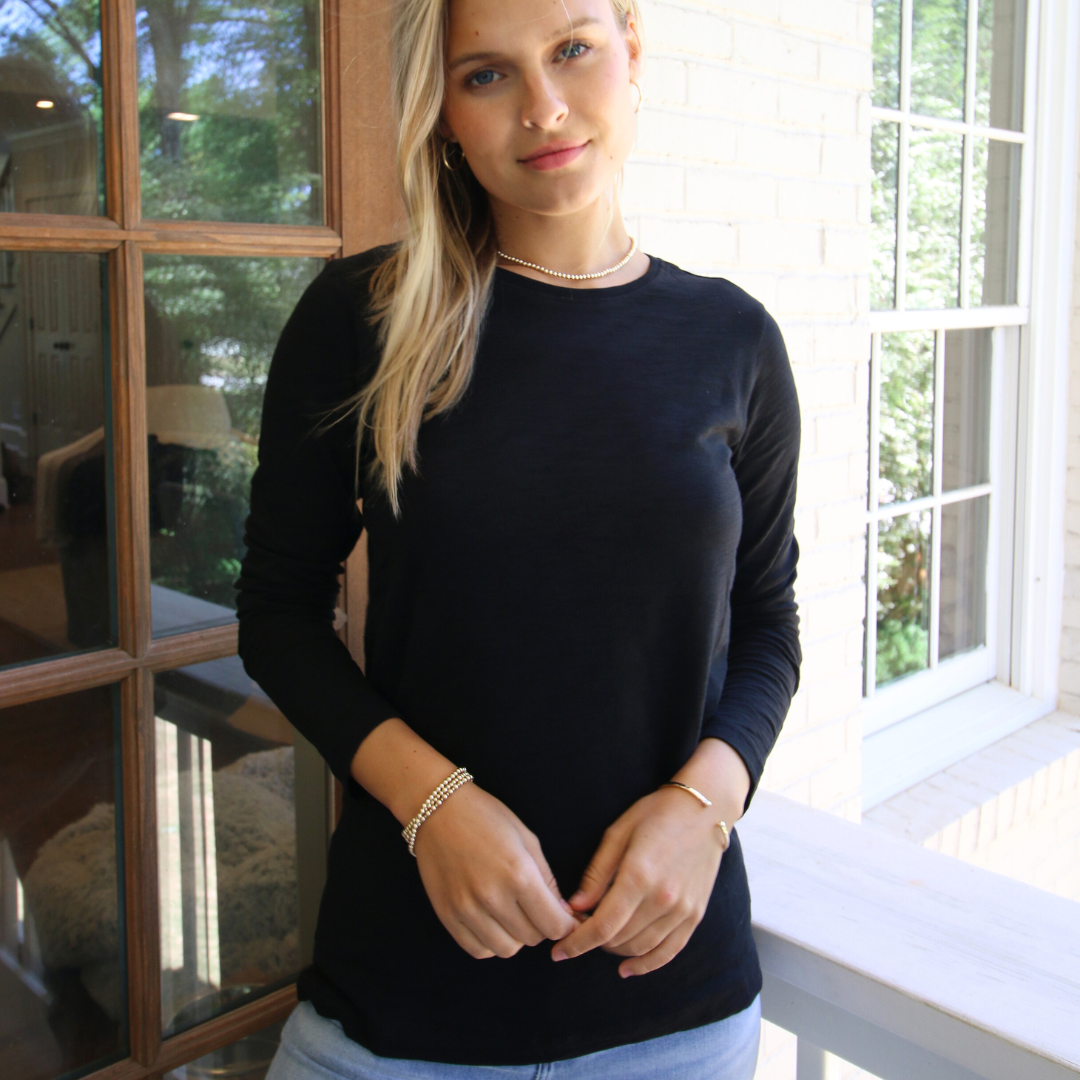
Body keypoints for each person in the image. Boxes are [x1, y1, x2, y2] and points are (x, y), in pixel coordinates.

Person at [238, 0, 801, 1076]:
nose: (543, 107)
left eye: (573, 50)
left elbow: (768, 621)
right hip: (402, 1008)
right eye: (486, 75)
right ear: (444, 110)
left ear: (632, 50)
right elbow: (276, 613)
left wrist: (706, 804)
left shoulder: (734, 338)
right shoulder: (363, 314)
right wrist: (431, 803)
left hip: (676, 1017)